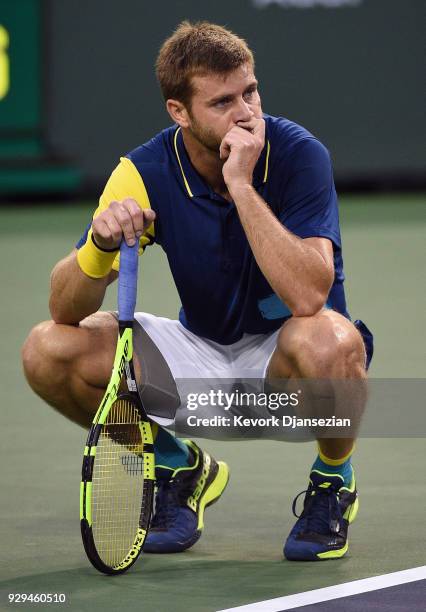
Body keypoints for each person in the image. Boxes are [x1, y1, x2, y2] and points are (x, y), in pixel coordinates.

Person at [22, 21, 373, 561]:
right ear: (178, 112)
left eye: (251, 92)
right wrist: (99, 244)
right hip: (201, 354)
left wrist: (240, 184)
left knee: (331, 339)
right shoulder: (142, 171)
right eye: (223, 101)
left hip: (289, 367)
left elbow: (309, 296)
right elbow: (63, 310)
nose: (245, 113)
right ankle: (176, 464)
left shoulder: (300, 155)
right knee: (48, 350)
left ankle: (333, 482)